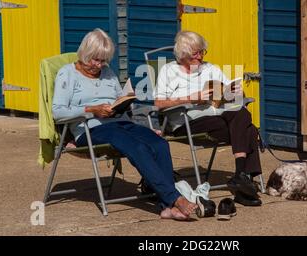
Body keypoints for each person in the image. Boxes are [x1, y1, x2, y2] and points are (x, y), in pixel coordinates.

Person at [52, 28, 198, 220]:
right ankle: (175, 199)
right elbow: (58, 112)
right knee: (137, 146)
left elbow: (119, 101)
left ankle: (166, 207)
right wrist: (91, 110)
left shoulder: (108, 72)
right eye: (96, 59)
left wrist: (126, 102)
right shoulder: (67, 74)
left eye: (104, 60)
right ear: (85, 53)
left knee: (159, 143)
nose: (99, 65)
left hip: (120, 123)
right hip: (92, 129)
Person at [154, 30, 263, 206]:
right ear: (183, 55)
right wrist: (192, 98)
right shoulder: (168, 70)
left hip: (216, 113)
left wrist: (236, 92)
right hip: (187, 120)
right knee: (248, 130)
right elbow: (158, 103)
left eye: (201, 51)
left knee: (242, 113)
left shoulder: (210, 68)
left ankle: (240, 176)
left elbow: (232, 91)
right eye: (195, 53)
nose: (200, 57)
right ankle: (243, 182)